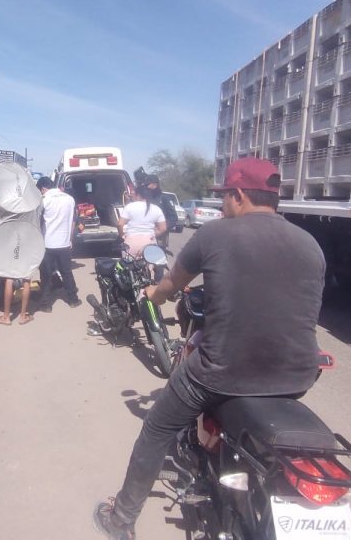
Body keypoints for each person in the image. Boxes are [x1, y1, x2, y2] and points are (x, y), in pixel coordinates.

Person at [94, 158, 326, 540]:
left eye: (224, 199)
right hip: (298, 374)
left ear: (238, 196)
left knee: (157, 428)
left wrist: (153, 294)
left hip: (221, 374)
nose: (221, 207)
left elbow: (171, 284)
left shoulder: (216, 234)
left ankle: (120, 519)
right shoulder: (309, 243)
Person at [35, 176, 81, 311]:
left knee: (46, 274)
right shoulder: (69, 199)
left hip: (47, 244)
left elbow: (38, 221)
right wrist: (70, 238)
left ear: (43, 188)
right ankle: (73, 299)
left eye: (40, 190)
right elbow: (73, 221)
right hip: (64, 243)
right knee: (67, 272)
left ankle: (46, 305)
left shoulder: (44, 200)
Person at [117, 184, 166, 270]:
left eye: (134, 193)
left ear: (138, 195)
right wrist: (153, 235)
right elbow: (163, 228)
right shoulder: (156, 208)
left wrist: (122, 235)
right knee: (148, 271)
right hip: (149, 243)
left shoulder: (130, 207)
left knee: (129, 270)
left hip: (131, 242)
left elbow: (120, 224)